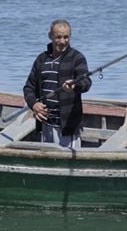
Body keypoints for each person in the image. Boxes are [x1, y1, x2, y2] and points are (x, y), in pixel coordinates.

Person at [23, 19, 92, 149]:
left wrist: (75, 85)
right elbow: (29, 87)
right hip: (46, 124)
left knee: (68, 164)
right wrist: (34, 104)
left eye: (66, 37)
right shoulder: (41, 59)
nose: (62, 41)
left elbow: (86, 82)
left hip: (68, 126)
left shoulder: (77, 57)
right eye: (58, 37)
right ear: (50, 36)